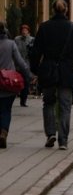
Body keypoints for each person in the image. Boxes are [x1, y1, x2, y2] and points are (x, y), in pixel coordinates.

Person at [29, 0, 73, 150]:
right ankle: (63, 140)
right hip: (66, 72)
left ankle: (50, 133)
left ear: (53, 10)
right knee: (65, 106)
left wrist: (35, 70)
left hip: (48, 71)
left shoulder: (44, 27)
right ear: (66, 10)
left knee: (48, 103)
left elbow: (36, 52)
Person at [0, 19, 35, 148]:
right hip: (8, 82)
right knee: (6, 110)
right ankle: (3, 132)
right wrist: (30, 75)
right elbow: (20, 62)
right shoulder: (11, 44)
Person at [14, 24, 34, 106]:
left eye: (25, 30)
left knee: (26, 83)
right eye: (22, 30)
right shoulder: (16, 39)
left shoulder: (31, 39)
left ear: (28, 31)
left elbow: (33, 52)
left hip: (26, 64)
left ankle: (23, 100)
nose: (24, 32)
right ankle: (15, 96)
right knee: (16, 82)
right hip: (18, 64)